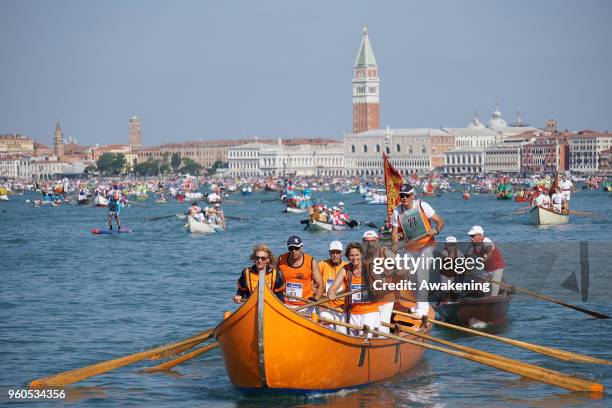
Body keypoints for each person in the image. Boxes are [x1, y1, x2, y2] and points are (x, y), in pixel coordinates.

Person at [390, 183, 444, 317]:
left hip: (427, 245)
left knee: (422, 275)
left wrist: (435, 231)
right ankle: (419, 304)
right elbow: (394, 233)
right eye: (402, 196)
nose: (404, 198)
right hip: (411, 248)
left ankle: (423, 308)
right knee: (412, 278)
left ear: (412, 195)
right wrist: (395, 245)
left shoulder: (422, 205)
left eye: (407, 195)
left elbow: (440, 222)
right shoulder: (397, 211)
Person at [328, 242, 382, 337]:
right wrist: (331, 293)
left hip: (369, 312)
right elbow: (333, 288)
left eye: (357, 255)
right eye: (351, 255)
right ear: (348, 257)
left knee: (364, 338)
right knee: (344, 337)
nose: (354, 258)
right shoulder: (345, 269)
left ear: (361, 255)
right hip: (350, 313)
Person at [276, 236, 324, 315]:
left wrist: (315, 300)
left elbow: (321, 285)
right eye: (291, 248)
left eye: (296, 248)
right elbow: (272, 279)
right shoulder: (280, 260)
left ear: (301, 247)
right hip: (285, 304)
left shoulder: (311, 262)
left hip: (306, 305)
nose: (294, 251)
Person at [362, 230, 395, 333]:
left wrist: (388, 273)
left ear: (377, 241)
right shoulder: (361, 257)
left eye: (373, 241)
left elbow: (401, 268)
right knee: (369, 326)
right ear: (363, 242)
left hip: (386, 297)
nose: (370, 243)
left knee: (382, 328)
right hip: (371, 298)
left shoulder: (384, 251)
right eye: (367, 241)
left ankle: (385, 343)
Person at [465, 226, 505, 297]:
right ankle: (479, 295)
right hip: (486, 269)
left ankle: (494, 297)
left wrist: (484, 258)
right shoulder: (472, 244)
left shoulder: (487, 241)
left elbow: (489, 249)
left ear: (480, 235)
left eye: (473, 235)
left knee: (494, 288)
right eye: (470, 235)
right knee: (477, 281)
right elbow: (467, 256)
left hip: (497, 267)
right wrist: (466, 268)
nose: (471, 237)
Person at [318, 241, 348, 333]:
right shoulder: (322, 265)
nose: (335, 255)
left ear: (341, 253)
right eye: (332, 252)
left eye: (337, 252)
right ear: (329, 253)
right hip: (325, 305)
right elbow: (313, 283)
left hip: (341, 307)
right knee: (327, 327)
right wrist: (317, 292)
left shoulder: (347, 267)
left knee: (342, 331)